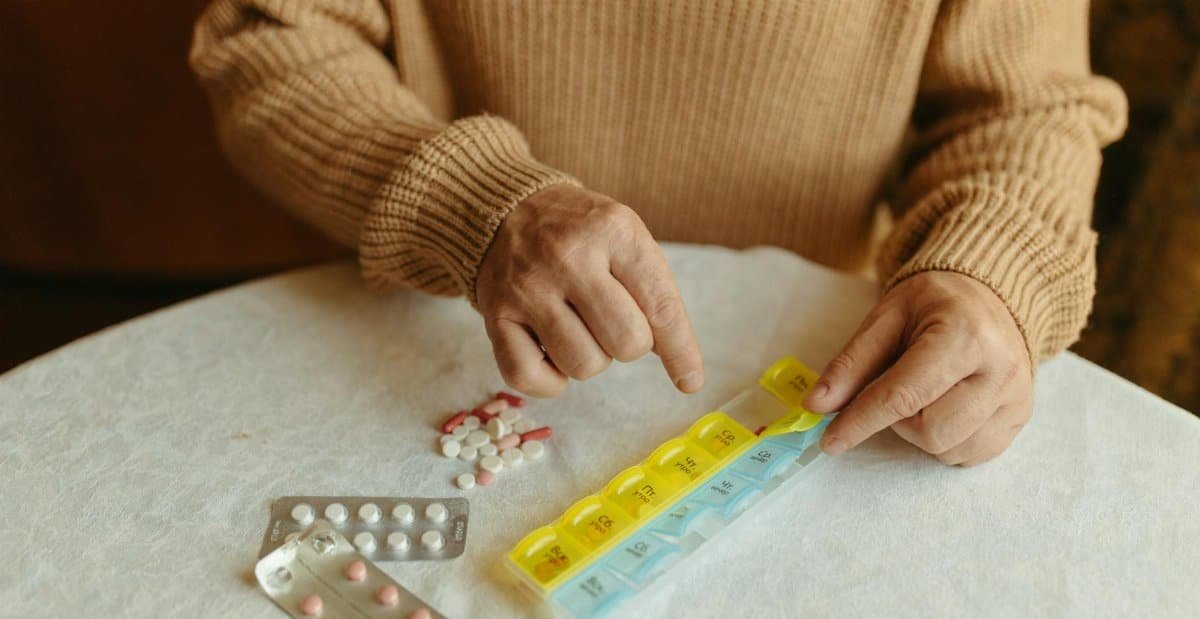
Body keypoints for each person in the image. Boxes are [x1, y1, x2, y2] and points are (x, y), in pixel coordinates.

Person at [190, 1, 1126, 467]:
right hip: (435, 327)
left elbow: (1025, 106)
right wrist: (473, 203)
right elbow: (270, 33)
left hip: (818, 344)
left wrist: (993, 274)